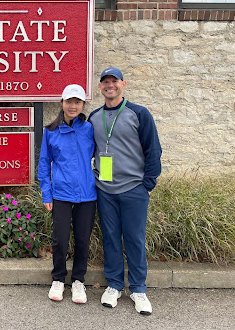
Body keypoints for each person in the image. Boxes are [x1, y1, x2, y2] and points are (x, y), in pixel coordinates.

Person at [88, 67, 162, 315]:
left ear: (123, 84)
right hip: (105, 189)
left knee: (134, 239)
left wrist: (147, 184)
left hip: (134, 188)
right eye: (105, 82)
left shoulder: (139, 113)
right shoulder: (94, 117)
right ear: (100, 87)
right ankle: (115, 285)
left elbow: (154, 150)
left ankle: (139, 289)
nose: (110, 85)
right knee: (110, 238)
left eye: (114, 81)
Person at [38, 84, 97, 304]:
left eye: (77, 102)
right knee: (60, 240)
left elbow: (104, 155)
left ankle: (79, 281)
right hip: (61, 193)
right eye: (69, 101)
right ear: (62, 103)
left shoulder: (90, 129)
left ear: (82, 105)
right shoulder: (50, 131)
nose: (73, 106)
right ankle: (58, 279)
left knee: (82, 239)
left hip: (87, 193)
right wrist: (46, 193)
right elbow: (45, 163)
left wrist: (107, 179)